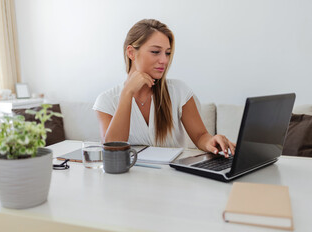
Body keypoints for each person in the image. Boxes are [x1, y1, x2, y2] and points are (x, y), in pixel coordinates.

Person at [93, 19, 235, 157]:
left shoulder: (179, 91)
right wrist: (127, 93)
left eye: (167, 53)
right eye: (155, 52)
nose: (164, 60)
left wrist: (211, 141)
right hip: (129, 178)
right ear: (131, 53)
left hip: (172, 178)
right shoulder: (106, 100)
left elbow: (200, 136)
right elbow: (112, 149)